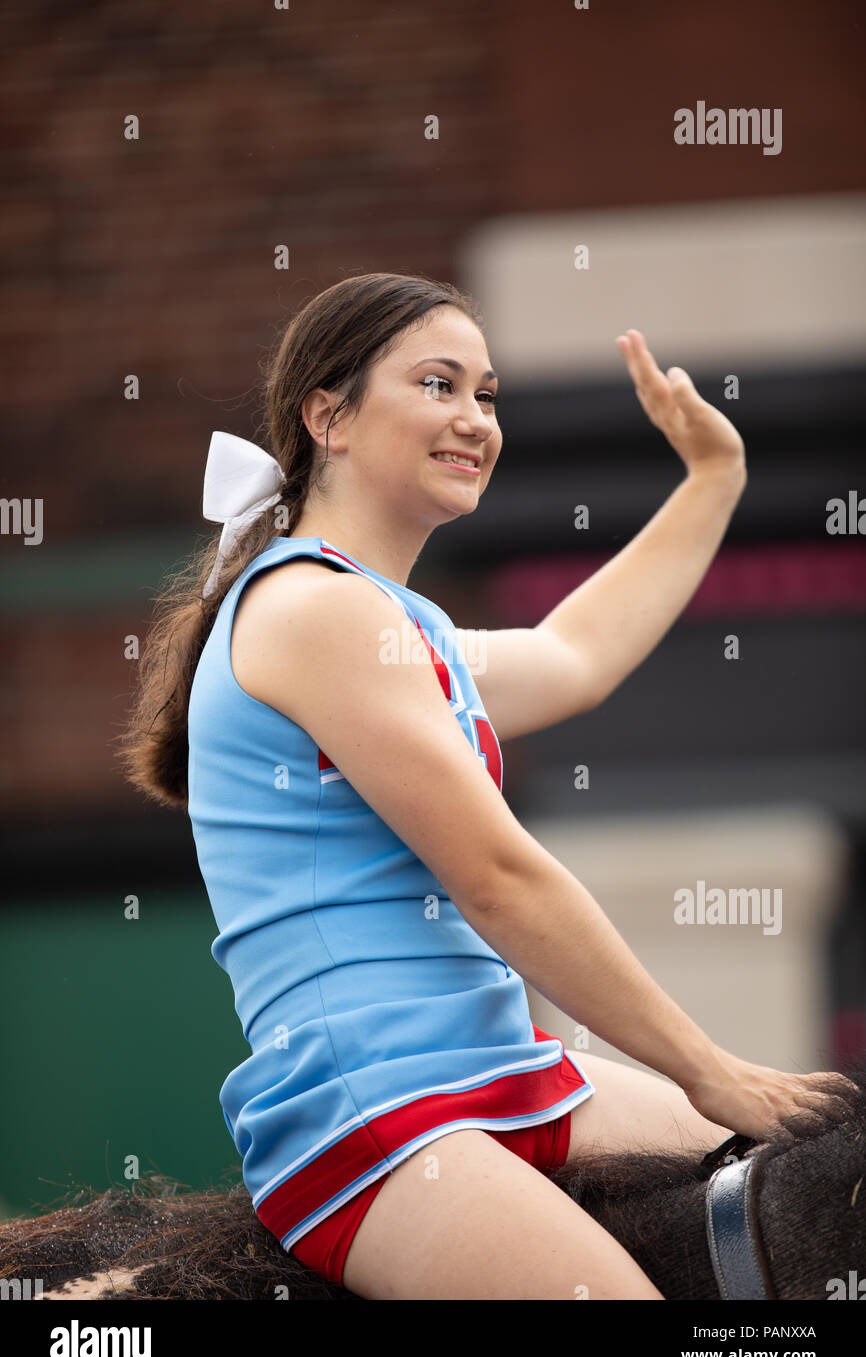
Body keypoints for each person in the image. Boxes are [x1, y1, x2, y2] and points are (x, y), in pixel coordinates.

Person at [118, 271, 857, 1301]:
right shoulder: (310, 609)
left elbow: (574, 653)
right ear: (324, 415)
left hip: (497, 1069)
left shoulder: (391, 623)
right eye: (436, 384)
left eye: (488, 393)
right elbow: (498, 876)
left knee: (820, 1189)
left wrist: (711, 477)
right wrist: (706, 1064)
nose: (473, 418)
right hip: (380, 1110)